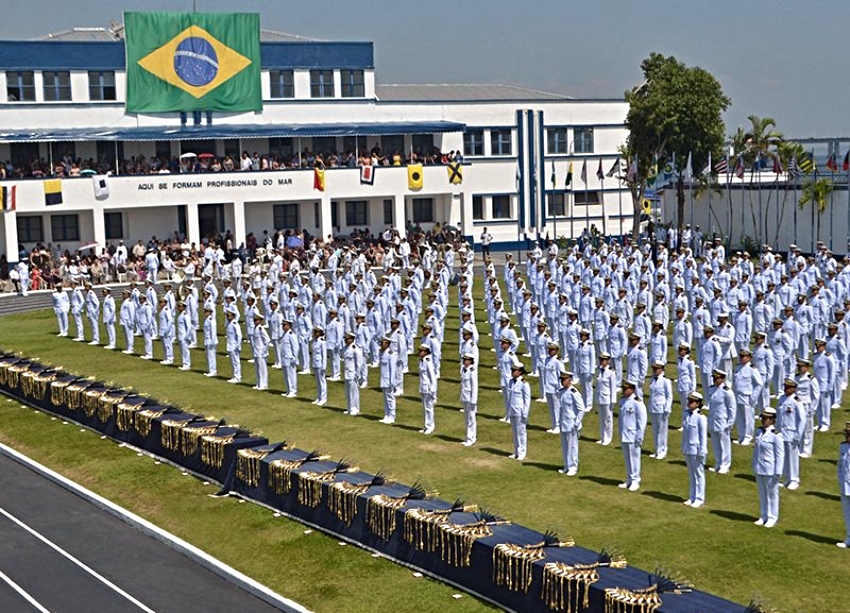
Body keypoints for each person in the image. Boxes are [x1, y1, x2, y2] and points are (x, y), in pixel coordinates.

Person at [752, 406, 785, 528]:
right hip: (759, 467)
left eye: (766, 418)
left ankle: (772, 517)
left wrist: (778, 472)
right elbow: (756, 451)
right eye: (763, 418)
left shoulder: (776, 435)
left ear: (772, 420)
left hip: (770, 469)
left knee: (772, 493)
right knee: (762, 493)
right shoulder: (759, 431)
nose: (763, 420)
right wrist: (754, 464)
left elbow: (780, 455)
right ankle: (763, 515)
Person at [777, 377, 805, 490]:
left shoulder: (796, 401)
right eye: (785, 387)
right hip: (782, 433)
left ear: (794, 389)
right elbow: (779, 417)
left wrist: (798, 435)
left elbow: (802, 419)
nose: (786, 389)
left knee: (793, 457)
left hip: (791, 433)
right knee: (785, 457)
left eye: (788, 387)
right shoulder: (782, 398)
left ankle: (794, 479)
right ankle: (787, 478)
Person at [618, 379, 647, 491]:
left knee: (634, 458)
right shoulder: (622, 401)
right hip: (624, 433)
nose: (624, 391)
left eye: (627, 389)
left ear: (632, 389)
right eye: (624, 389)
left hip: (633, 435)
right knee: (627, 458)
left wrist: (639, 436)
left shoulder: (637, 402)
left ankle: (635, 480)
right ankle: (629, 479)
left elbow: (642, 421)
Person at [682, 391, 708, 508]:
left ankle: (699, 498)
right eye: (689, 401)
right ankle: (692, 496)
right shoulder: (686, 414)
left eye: (692, 401)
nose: (689, 403)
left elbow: (703, 436)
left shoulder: (700, 417)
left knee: (698, 474)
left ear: (698, 404)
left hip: (696, 450)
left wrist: (702, 451)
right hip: (688, 448)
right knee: (691, 474)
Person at [557, 371, 585, 476]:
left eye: (564, 379)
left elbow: (581, 409)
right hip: (563, 422)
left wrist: (576, 423)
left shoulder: (574, 392)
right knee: (565, 446)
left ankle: (573, 467)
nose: (562, 381)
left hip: (571, 423)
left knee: (572, 446)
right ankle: (566, 466)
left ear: (569, 380)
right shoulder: (561, 392)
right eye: (561, 379)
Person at [707, 369, 735, 474]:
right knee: (715, 443)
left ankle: (725, 464)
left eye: (717, 378)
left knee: (724, 443)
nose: (714, 380)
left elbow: (732, 408)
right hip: (713, 419)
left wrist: (730, 422)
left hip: (723, 421)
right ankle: (718, 463)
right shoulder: (712, 389)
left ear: (722, 379)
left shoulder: (727, 392)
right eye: (714, 378)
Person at [648, 361, 673, 460]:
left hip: (661, 408)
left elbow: (669, 396)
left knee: (662, 430)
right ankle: (657, 450)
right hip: (653, 407)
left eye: (656, 368)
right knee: (655, 430)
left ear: (662, 369)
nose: (654, 370)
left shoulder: (665, 381)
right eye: (653, 368)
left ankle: (662, 450)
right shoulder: (652, 379)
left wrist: (667, 408)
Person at [507, 362, 531, 461]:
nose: (512, 372)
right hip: (512, 410)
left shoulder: (524, 383)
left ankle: (522, 452)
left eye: (514, 370)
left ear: (520, 372)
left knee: (521, 432)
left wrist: (525, 413)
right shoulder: (510, 381)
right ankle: (516, 451)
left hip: (520, 411)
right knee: (515, 432)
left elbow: (527, 399)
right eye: (512, 370)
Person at [594, 352, 617, 445]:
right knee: (601, 419)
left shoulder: (611, 372)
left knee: (608, 419)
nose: (601, 361)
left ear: (608, 361)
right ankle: (602, 437)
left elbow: (613, 388)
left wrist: (613, 401)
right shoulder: (599, 370)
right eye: (600, 359)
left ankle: (608, 438)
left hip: (607, 399)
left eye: (603, 360)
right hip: (600, 398)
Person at [460, 352, 478, 446]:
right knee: (467, 418)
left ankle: (471, 438)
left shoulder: (472, 371)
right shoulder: (464, 369)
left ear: (470, 361)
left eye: (466, 360)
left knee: (471, 418)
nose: (464, 361)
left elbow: (474, 386)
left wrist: (473, 401)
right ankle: (468, 437)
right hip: (465, 397)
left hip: (470, 398)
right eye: (464, 360)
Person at [418, 343, 437, 434]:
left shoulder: (428, 361)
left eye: (421, 351)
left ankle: (430, 426)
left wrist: (433, 392)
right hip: (423, 387)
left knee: (429, 408)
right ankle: (426, 426)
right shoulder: (421, 360)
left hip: (428, 388)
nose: (419, 352)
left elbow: (432, 377)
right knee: (425, 408)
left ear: (426, 352)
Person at [342, 332, 363, 414]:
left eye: (347, 339)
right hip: (347, 372)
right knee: (348, 392)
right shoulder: (345, 348)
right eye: (345, 339)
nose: (345, 340)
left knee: (354, 392)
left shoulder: (355, 349)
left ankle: (355, 408)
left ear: (352, 339)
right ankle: (349, 407)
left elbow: (359, 362)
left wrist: (357, 374)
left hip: (353, 373)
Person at [378, 336, 397, 424]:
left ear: (388, 344)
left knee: (390, 399)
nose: (381, 344)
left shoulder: (390, 353)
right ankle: (387, 415)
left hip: (389, 380)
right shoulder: (381, 352)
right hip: (383, 379)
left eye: (383, 343)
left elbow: (393, 369)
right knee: (385, 399)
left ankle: (392, 416)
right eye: (381, 343)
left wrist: (392, 381)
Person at [837, 422, 850, 548]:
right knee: (847, 514)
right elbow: (840, 466)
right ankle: (849, 537)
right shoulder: (843, 447)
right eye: (846, 434)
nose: (847, 436)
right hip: (845, 485)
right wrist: (841, 480)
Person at [280, 318, 298, 396]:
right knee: (286, 375)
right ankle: (288, 390)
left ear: (289, 325)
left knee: (291, 375)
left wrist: (294, 357)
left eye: (285, 325)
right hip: (284, 357)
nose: (283, 326)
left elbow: (295, 347)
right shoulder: (284, 334)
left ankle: (293, 391)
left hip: (290, 358)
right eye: (283, 325)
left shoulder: (291, 334)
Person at [252, 313, 270, 390]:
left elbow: (267, 340)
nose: (255, 321)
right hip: (256, 351)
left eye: (256, 320)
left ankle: (264, 384)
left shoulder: (261, 329)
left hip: (261, 352)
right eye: (254, 320)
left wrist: (264, 350)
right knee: (257, 368)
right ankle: (259, 383)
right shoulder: (255, 328)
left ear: (260, 321)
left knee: (262, 368)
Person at [311, 326, 328, 406]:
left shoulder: (322, 342)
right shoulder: (314, 341)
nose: (314, 333)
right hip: (315, 363)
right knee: (318, 382)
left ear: (320, 333)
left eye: (316, 332)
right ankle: (319, 397)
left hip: (320, 364)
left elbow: (324, 355)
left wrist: (324, 366)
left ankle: (323, 398)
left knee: (322, 382)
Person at [225, 307, 242, 383]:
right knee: (233, 362)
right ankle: (235, 376)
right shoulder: (229, 323)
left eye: (229, 315)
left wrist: (238, 346)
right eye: (227, 315)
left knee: (236, 362)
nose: (227, 317)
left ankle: (237, 377)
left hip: (234, 346)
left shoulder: (235, 324)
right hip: (230, 345)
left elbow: (239, 335)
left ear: (233, 316)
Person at [136, 294, 154, 360]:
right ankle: (147, 353)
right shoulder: (141, 306)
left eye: (141, 299)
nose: (140, 300)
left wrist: (148, 325)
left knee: (148, 340)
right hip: (142, 325)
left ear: (144, 299)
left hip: (146, 325)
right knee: (146, 340)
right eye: (139, 299)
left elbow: (149, 317)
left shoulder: (147, 306)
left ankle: (149, 354)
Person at [176, 301, 192, 371]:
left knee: (185, 351)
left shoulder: (185, 315)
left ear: (183, 307)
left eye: (180, 306)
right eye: (178, 306)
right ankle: (184, 363)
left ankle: (187, 364)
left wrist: (187, 337)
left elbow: (189, 327)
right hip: (180, 336)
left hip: (184, 336)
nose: (178, 308)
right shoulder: (180, 314)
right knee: (182, 351)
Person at [157, 295, 174, 365]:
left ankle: (170, 358)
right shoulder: (162, 310)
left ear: (165, 303)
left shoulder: (166, 310)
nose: (160, 303)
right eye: (159, 302)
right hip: (162, 330)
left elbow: (170, 320)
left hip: (166, 331)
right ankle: (166, 357)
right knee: (164, 345)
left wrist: (167, 330)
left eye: (162, 302)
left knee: (168, 345)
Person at [202, 306, 217, 377]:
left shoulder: (211, 320)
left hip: (211, 341)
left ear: (210, 312)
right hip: (207, 340)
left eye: (207, 311)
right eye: (205, 311)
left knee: (211, 356)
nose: (205, 313)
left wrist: (212, 342)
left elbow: (213, 332)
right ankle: (210, 370)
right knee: (209, 356)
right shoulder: (207, 319)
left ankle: (212, 371)